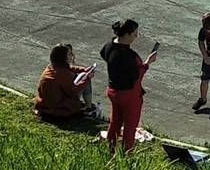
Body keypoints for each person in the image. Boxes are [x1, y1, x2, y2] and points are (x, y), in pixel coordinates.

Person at [100, 18, 157, 155]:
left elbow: (103, 54)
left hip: (113, 90)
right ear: (127, 35)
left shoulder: (109, 46)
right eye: (134, 34)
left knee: (115, 121)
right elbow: (137, 75)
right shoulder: (130, 56)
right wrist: (148, 63)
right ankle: (127, 153)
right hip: (129, 95)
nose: (135, 37)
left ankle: (111, 149)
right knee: (130, 126)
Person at [33, 42, 99, 124]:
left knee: (83, 74)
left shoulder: (52, 67)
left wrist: (83, 69)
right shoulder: (62, 74)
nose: (71, 56)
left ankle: (87, 107)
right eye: (69, 54)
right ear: (62, 58)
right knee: (84, 77)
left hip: (44, 106)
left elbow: (69, 67)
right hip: (58, 110)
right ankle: (89, 109)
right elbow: (73, 91)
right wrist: (87, 78)